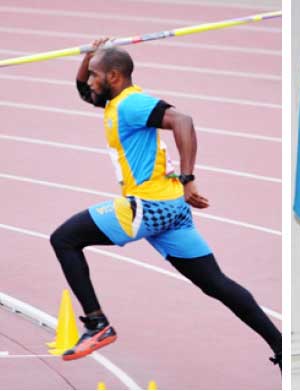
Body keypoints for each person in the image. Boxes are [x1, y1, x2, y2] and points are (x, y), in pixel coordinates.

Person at [49, 38, 282, 369]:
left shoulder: (132, 104)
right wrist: (89, 58)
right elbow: (84, 92)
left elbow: (183, 120)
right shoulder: (114, 101)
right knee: (215, 283)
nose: (89, 81)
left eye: (94, 74)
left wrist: (188, 179)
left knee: (64, 239)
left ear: (114, 76)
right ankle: (280, 345)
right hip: (171, 209)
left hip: (150, 205)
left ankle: (97, 324)